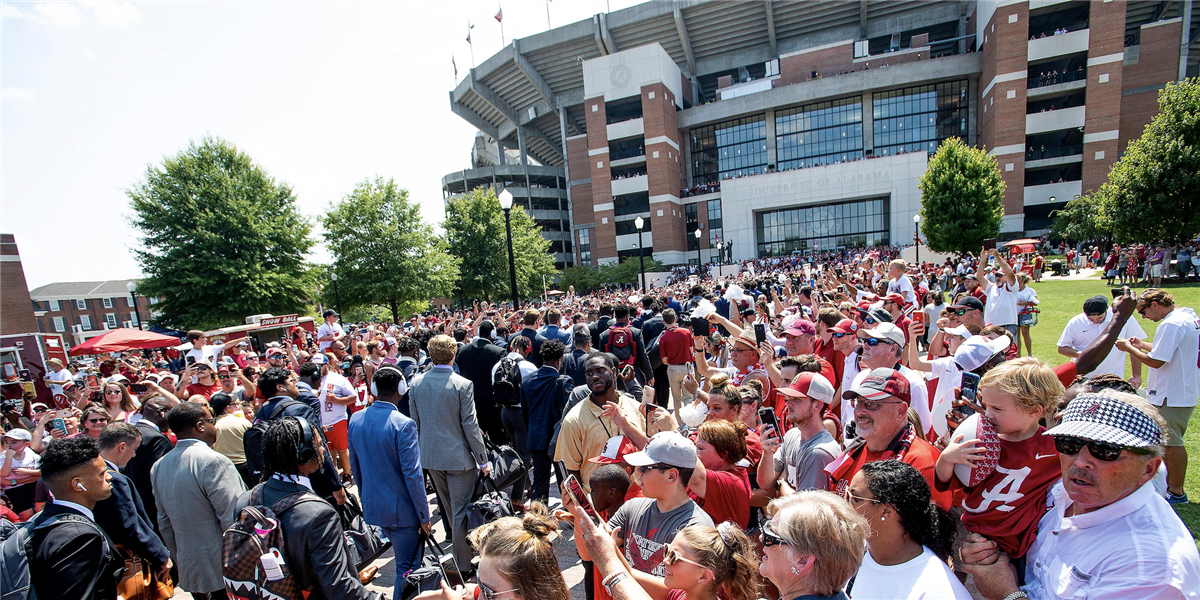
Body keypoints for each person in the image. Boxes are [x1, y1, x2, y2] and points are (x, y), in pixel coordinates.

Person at [961, 391, 1200, 599]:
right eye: (1069, 444)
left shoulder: (1149, 568)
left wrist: (1006, 594)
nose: (1081, 461)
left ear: (1148, 469)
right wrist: (991, 553)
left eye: (1106, 451)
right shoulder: (1060, 492)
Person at [934, 358, 1065, 560]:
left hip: (1021, 543)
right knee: (960, 571)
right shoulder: (981, 440)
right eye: (986, 406)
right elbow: (946, 483)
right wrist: (946, 459)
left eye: (997, 409)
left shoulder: (1054, 450)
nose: (987, 414)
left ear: (1034, 410)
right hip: (973, 530)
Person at [235, 418, 379, 600]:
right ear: (305, 455)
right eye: (320, 445)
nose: (324, 450)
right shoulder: (319, 514)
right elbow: (338, 587)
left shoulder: (245, 500)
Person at [409, 334, 491, 578]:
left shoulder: (416, 383)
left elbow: (415, 423)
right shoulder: (462, 384)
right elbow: (470, 425)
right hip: (458, 458)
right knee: (458, 512)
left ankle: (459, 560)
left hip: (431, 456)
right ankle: (462, 565)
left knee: (450, 509)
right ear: (453, 354)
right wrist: (483, 458)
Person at [348, 364, 432, 595]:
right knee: (407, 570)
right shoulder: (403, 424)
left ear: (374, 389)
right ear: (402, 389)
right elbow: (413, 475)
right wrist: (424, 515)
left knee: (404, 566)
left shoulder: (355, 419)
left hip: (376, 506)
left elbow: (356, 468)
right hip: (404, 512)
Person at [152, 402, 248, 600]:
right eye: (211, 421)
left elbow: (164, 522)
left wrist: (181, 560)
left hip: (191, 567)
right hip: (225, 569)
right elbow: (234, 517)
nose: (215, 427)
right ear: (200, 426)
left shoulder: (159, 466)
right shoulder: (213, 461)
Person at [1115, 288, 1199, 503]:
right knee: (1168, 440)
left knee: (1172, 443)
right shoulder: (1186, 317)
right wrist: (1142, 345)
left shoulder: (1171, 323)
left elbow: (1157, 361)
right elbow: (1167, 350)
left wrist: (1129, 349)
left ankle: (1177, 492)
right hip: (1179, 388)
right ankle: (1171, 487)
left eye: (1143, 312)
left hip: (1172, 391)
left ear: (1154, 304)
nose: (1143, 317)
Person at [827, 368, 951, 508]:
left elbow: (935, 528)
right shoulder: (852, 453)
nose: (860, 411)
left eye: (871, 404)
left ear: (900, 411)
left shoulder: (923, 463)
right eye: (859, 402)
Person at [846, 460, 970, 599]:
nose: (845, 504)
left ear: (886, 510)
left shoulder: (939, 591)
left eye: (854, 498)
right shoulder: (851, 556)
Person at [601, 431, 714, 576]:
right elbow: (588, 553)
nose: (638, 473)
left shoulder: (697, 527)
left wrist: (621, 572)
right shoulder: (632, 507)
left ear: (671, 476)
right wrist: (579, 516)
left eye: (644, 468)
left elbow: (678, 592)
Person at [28, 437, 125, 600]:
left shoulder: (43, 519)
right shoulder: (79, 537)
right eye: (102, 473)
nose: (109, 477)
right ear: (78, 484)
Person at [93, 423, 172, 583]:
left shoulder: (92, 473)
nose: (135, 455)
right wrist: (160, 555)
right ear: (122, 447)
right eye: (134, 449)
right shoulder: (112, 479)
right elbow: (128, 526)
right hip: (122, 561)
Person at [253, 367, 345, 503]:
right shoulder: (299, 409)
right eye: (292, 380)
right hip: (308, 484)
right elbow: (319, 448)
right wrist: (336, 485)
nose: (296, 383)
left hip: (276, 485)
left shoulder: (260, 415)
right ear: (280, 387)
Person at [759, 372, 840, 494]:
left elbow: (805, 509)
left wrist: (782, 483)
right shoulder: (792, 435)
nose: (788, 403)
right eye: (788, 398)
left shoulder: (819, 452)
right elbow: (765, 483)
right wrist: (767, 453)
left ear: (817, 405)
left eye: (796, 399)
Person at [522, 339, 573, 505]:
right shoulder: (564, 382)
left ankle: (538, 517)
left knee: (539, 481)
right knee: (564, 481)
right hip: (558, 439)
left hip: (535, 437)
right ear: (560, 360)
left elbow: (525, 412)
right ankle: (570, 515)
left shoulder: (527, 380)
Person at [1057, 295, 1145, 384]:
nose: (1095, 321)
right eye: (1090, 319)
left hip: (1113, 378)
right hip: (1082, 380)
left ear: (1107, 309)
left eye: (1099, 318)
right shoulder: (1075, 322)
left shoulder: (1125, 319)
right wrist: (1081, 355)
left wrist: (1136, 376)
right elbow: (1062, 348)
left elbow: (1135, 346)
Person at [121, 395, 174, 535]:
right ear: (161, 412)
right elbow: (163, 478)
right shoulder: (155, 439)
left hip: (138, 505)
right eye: (170, 412)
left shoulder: (134, 432)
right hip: (154, 508)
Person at [690, 419, 752, 528]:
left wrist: (672, 433)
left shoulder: (733, 481)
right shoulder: (710, 472)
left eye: (700, 448)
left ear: (723, 455)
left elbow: (697, 479)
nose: (694, 452)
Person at [456, 319, 508, 444]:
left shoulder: (463, 351)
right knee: (498, 443)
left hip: (470, 403)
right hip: (493, 405)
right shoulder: (498, 352)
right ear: (493, 334)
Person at [312, 353, 356, 482]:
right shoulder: (311, 379)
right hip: (320, 423)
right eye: (315, 366)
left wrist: (336, 399)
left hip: (337, 421)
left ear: (327, 365)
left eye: (320, 366)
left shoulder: (338, 379)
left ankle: (347, 475)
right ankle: (334, 475)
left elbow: (352, 397)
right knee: (327, 451)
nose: (317, 368)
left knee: (342, 449)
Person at [210, 391, 254, 487]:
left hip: (224, 468)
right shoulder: (243, 422)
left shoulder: (212, 427)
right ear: (227, 407)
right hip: (246, 466)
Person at [658, 308, 695, 415]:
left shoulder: (663, 338)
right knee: (688, 398)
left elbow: (664, 361)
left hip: (673, 368)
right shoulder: (686, 332)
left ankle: (681, 425)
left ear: (664, 321)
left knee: (676, 398)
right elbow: (691, 350)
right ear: (675, 319)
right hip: (686, 367)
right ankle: (687, 423)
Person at [1, 428, 40, 519]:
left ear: (27, 444)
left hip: (33, 485)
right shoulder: (3, 457)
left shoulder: (31, 455)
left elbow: (42, 472)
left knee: (39, 509)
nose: (9, 445)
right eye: (6, 442)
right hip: (15, 489)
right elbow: (4, 474)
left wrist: (26, 472)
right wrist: (9, 458)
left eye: (13, 442)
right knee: (27, 513)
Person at [1015, 273, 1038, 357]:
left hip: (1025, 313)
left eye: (1018, 279)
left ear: (1023, 280)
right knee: (1016, 334)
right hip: (1015, 313)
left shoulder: (1029, 290)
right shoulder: (1014, 290)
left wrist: (1026, 302)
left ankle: (1029, 354)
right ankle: (1018, 354)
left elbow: (1035, 302)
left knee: (1025, 333)